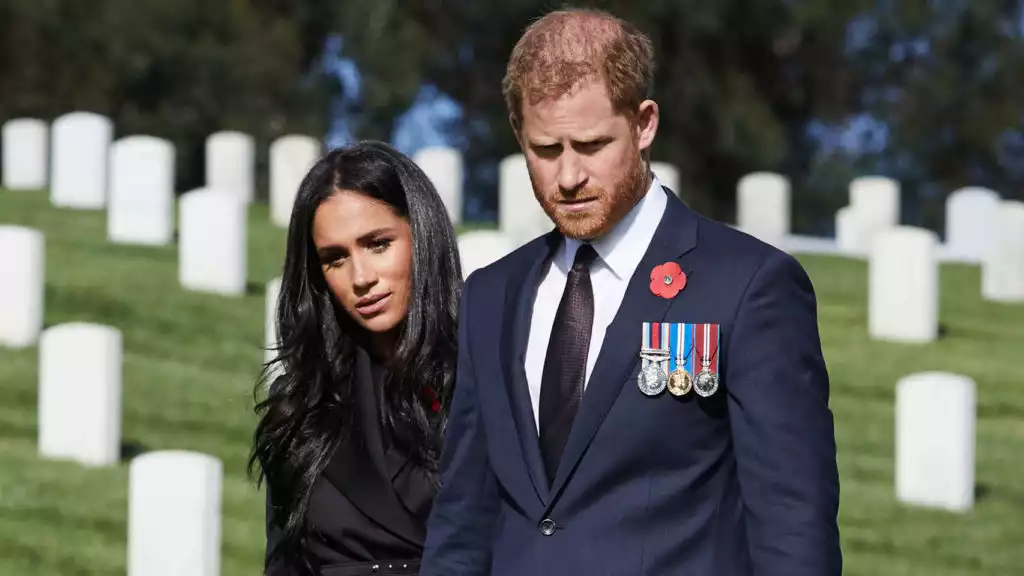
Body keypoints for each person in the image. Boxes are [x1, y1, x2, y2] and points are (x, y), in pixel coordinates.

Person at [420, 8, 842, 576]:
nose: (568, 177)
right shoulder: (491, 296)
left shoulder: (747, 287)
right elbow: (463, 520)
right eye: (546, 150)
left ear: (644, 124)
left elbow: (793, 525)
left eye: (591, 145)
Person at [249, 140, 462, 576]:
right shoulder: (301, 409)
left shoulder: (495, 374)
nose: (361, 278)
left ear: (422, 235)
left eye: (378, 244)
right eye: (335, 259)